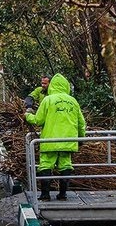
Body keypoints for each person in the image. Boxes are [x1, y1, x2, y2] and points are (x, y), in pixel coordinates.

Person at [25, 73, 86, 201]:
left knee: (46, 165)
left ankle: (45, 195)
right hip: (68, 141)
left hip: (50, 141)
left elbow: (38, 120)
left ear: (52, 85)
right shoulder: (73, 101)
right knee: (65, 165)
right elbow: (81, 123)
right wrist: (81, 138)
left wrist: (27, 116)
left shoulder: (48, 100)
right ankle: (63, 194)